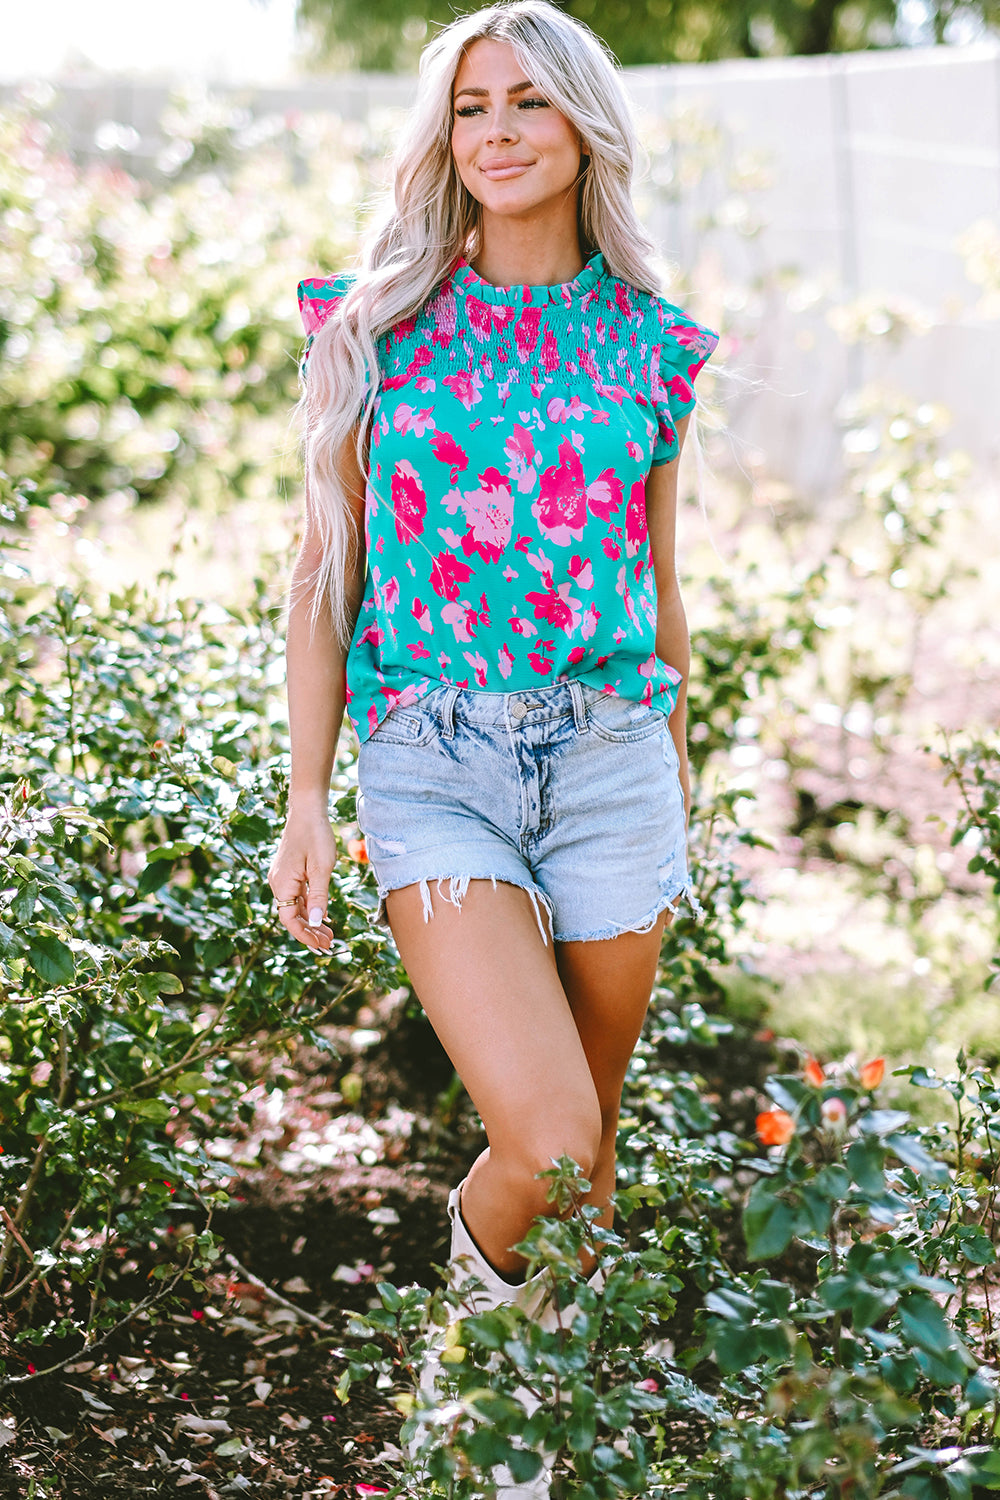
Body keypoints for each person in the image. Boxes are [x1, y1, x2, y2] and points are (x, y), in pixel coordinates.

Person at [269, 1, 717, 1490]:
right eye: (472, 107)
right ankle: (462, 1411)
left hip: (609, 764)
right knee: (537, 1141)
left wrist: (677, 769)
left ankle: (511, 1453)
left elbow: (659, 584)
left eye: (529, 102)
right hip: (433, 759)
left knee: (580, 1169)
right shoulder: (377, 326)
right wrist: (308, 804)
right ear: (444, 137)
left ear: (583, 123)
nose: (500, 132)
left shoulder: (650, 346)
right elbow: (322, 574)